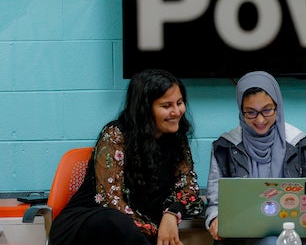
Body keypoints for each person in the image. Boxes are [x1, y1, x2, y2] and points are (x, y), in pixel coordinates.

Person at [49, 69, 204, 245]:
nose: (177, 111)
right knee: (117, 222)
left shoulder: (176, 136)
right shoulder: (115, 135)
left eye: (179, 102)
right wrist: (156, 230)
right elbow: (112, 202)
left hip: (135, 232)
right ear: (145, 109)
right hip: (89, 225)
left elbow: (188, 187)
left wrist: (170, 215)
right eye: (166, 106)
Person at [205, 70, 306, 245]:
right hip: (239, 240)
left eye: (267, 110)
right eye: (250, 112)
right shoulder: (225, 147)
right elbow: (215, 204)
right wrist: (214, 220)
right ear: (240, 110)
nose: (260, 120)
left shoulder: (300, 143)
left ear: (277, 106)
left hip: (292, 237)